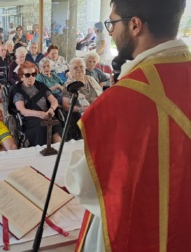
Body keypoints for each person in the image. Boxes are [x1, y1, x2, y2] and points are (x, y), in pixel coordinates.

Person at [65, 1, 191, 251]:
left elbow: (86, 185)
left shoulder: (124, 99)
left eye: (111, 23)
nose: (110, 32)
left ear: (135, 25)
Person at [10, 61, 62, 145]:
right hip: (30, 119)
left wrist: (51, 109)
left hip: (47, 114)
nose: (31, 77)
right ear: (21, 77)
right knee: (42, 126)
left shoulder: (40, 85)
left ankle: (58, 150)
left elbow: (54, 101)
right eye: (27, 75)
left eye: (33, 74)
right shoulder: (18, 90)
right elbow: (22, 110)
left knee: (56, 125)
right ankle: (42, 151)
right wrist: (39, 114)